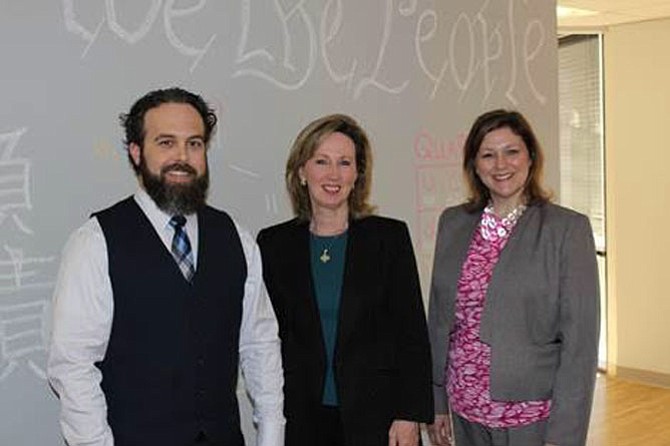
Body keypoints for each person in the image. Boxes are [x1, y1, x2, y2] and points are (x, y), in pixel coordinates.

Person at [47, 87, 285, 446]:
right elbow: (73, 366)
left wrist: (271, 438)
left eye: (194, 143)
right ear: (136, 152)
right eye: (166, 143)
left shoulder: (236, 237)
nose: (182, 157)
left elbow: (260, 346)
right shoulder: (95, 242)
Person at [257, 114, 433, 446]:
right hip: (301, 417)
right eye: (321, 161)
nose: (333, 174)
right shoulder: (274, 245)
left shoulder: (389, 238)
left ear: (357, 174)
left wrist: (409, 414)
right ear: (301, 172)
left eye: (344, 163)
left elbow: (411, 333)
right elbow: (266, 339)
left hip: (378, 418)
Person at [426, 109, 599, 446]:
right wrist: (436, 402)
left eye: (512, 151)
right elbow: (439, 318)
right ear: (474, 165)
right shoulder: (453, 223)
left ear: (531, 157)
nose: (500, 164)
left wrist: (565, 435)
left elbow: (580, 344)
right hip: (464, 408)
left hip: (529, 415)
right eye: (487, 155)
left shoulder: (566, 230)